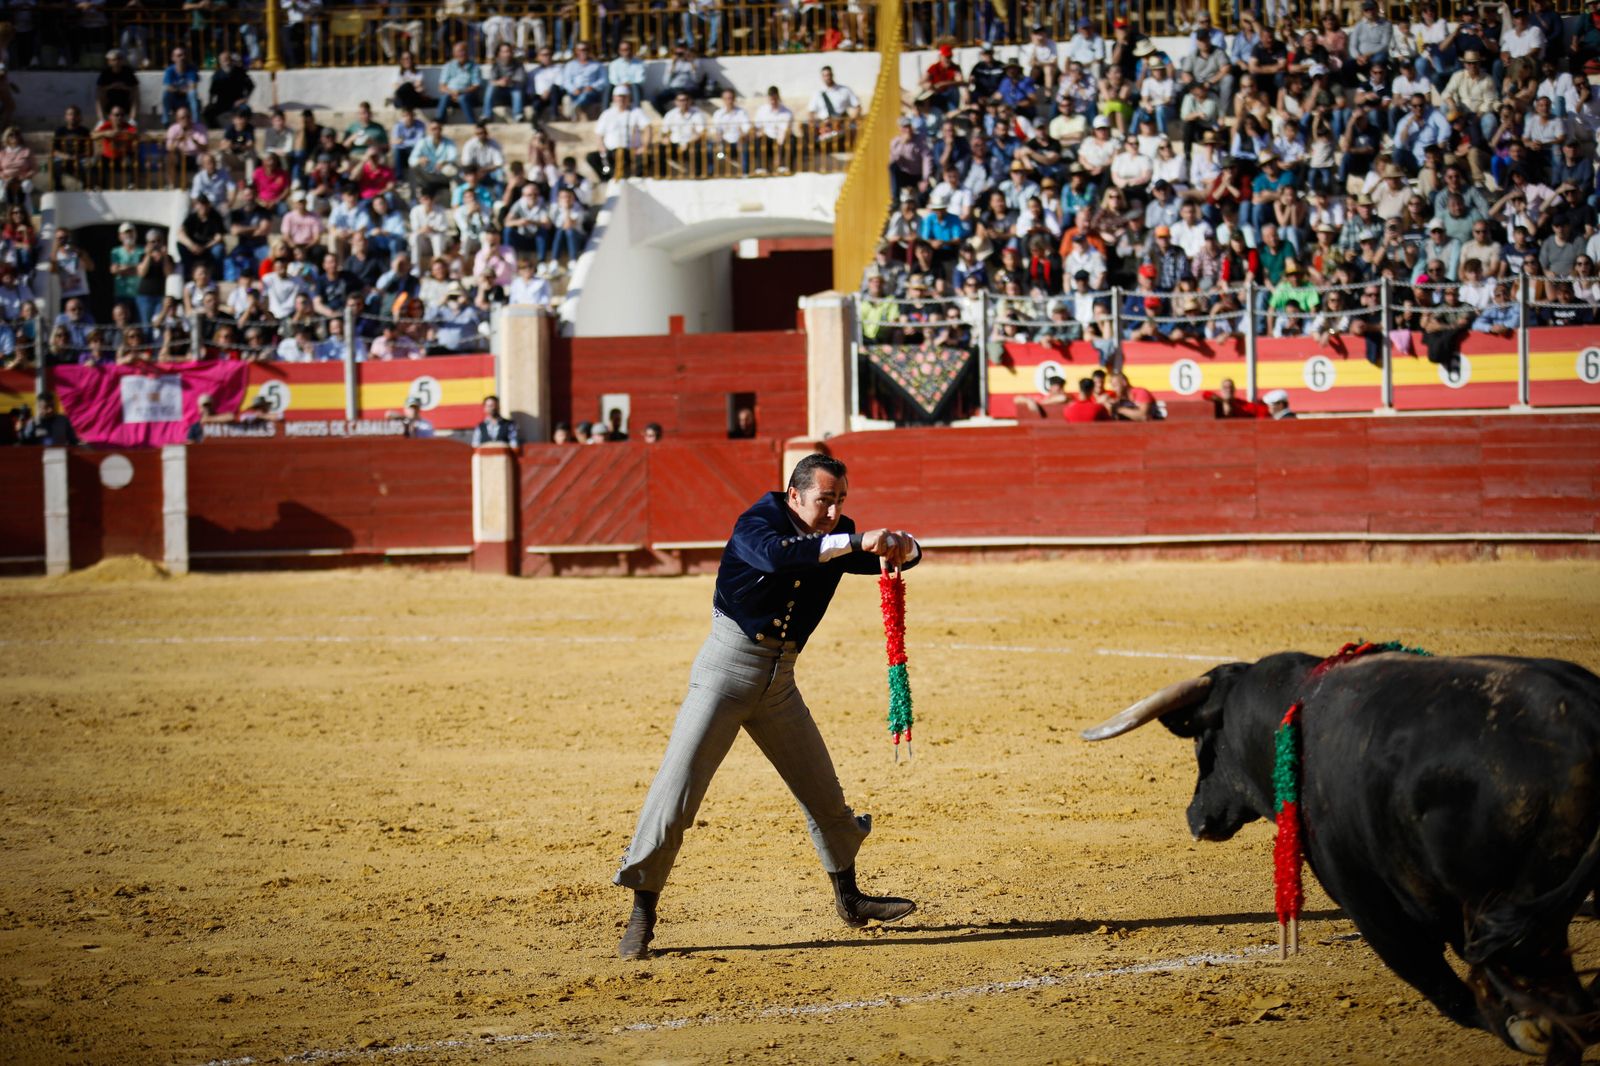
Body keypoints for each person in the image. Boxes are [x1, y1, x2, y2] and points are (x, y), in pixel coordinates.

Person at [613, 453, 921, 959]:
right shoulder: (756, 524)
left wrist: (904, 546)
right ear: (794, 495)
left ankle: (849, 899)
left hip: (779, 683)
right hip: (724, 676)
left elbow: (890, 556)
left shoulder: (836, 534)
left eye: (841, 500)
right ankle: (641, 916)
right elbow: (780, 556)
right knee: (677, 790)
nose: (834, 511)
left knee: (824, 794)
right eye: (825, 500)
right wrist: (853, 540)